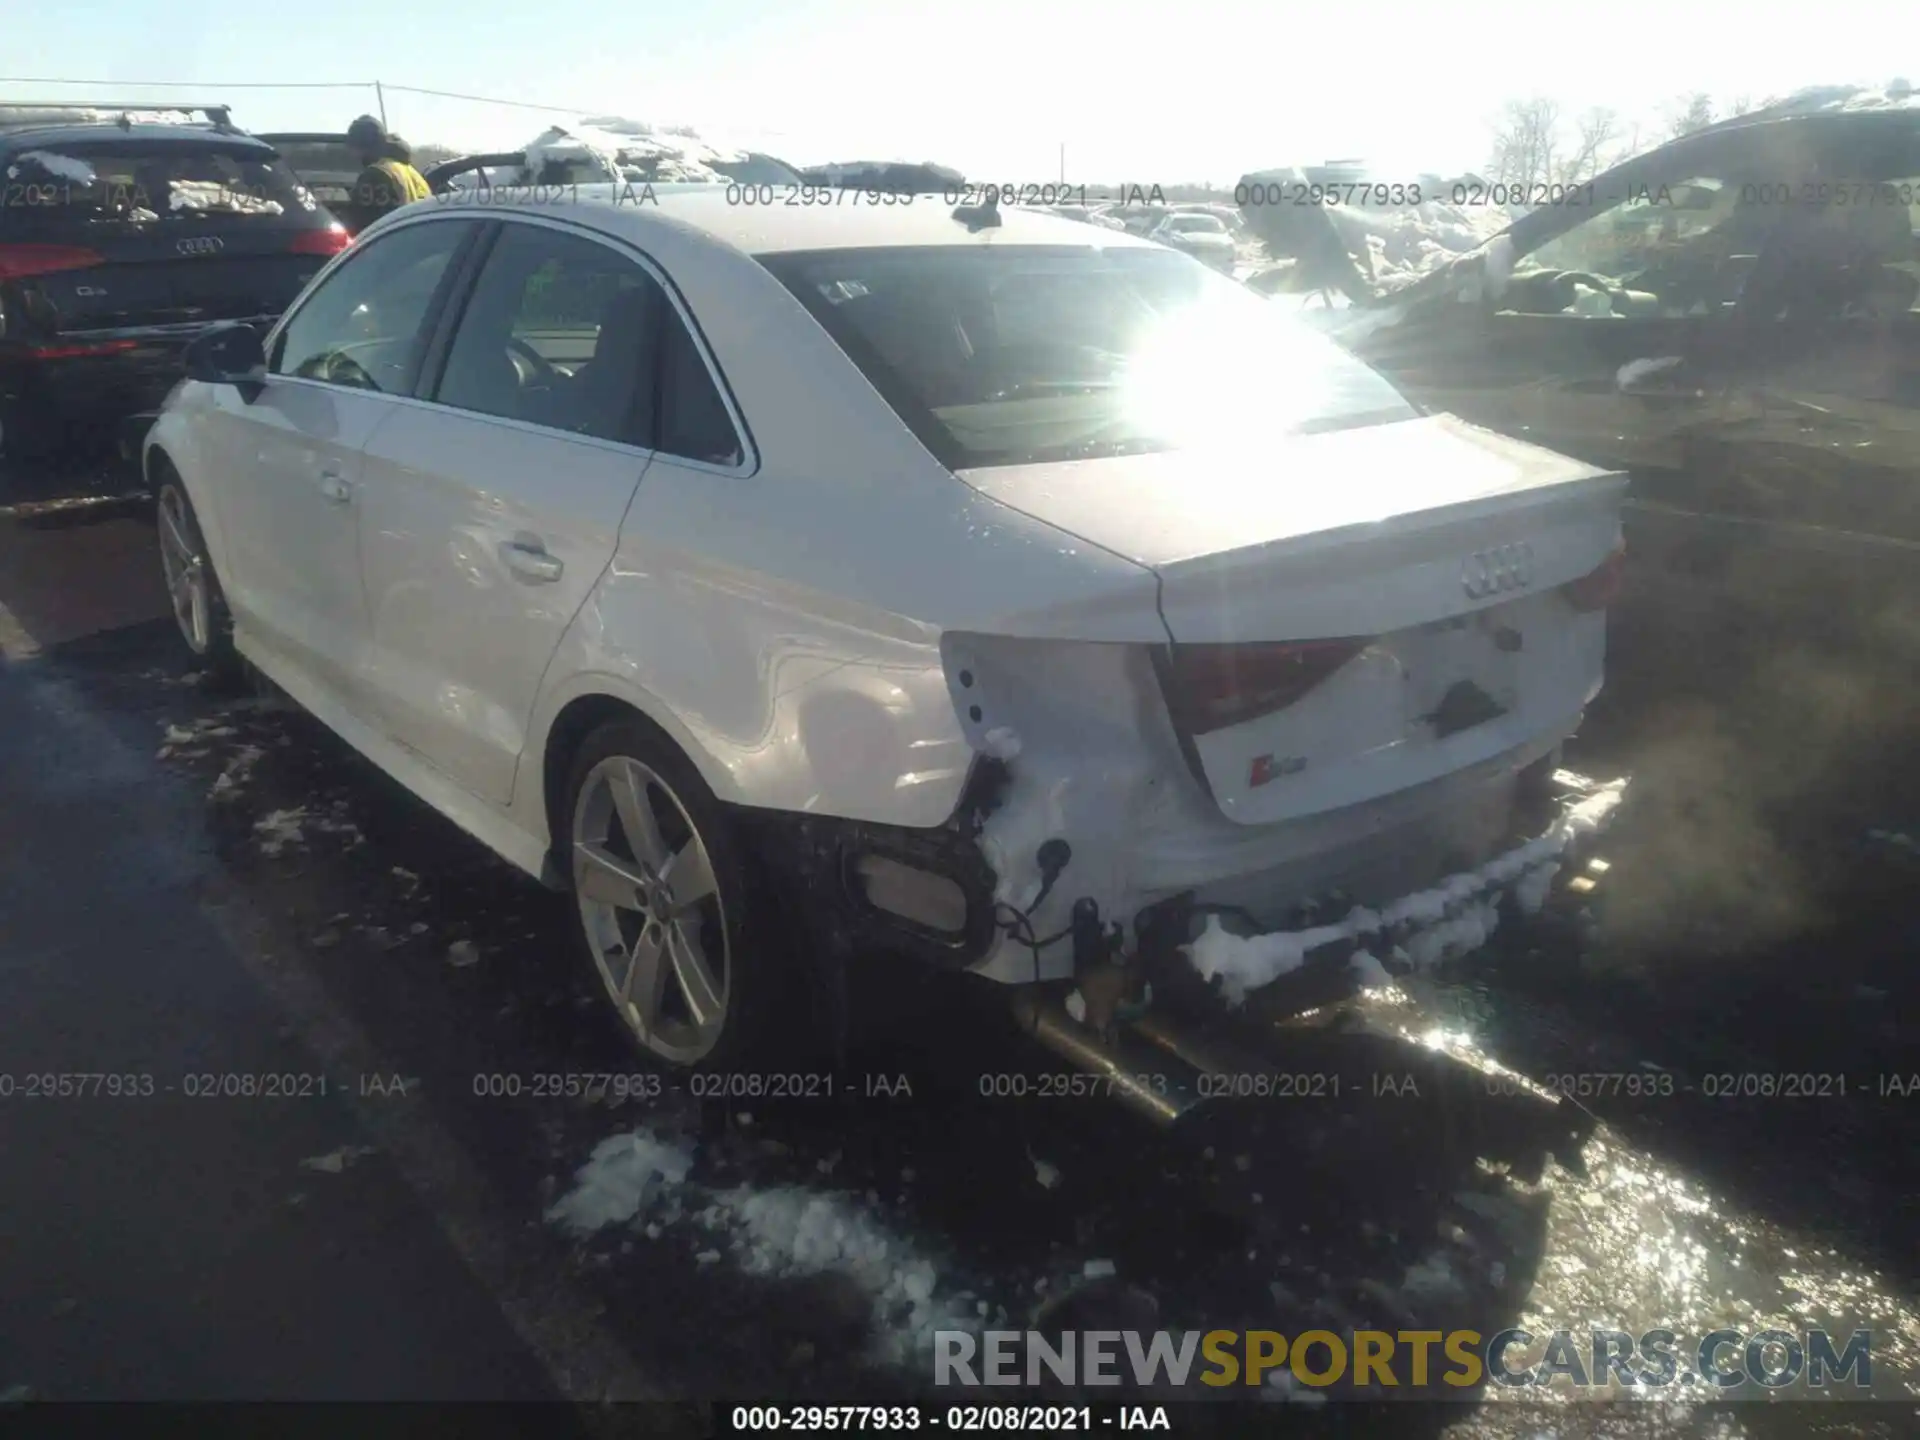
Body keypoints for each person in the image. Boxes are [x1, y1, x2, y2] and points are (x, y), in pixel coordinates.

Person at [344, 114, 430, 228]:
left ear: (362, 145)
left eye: (353, 147)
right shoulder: (412, 173)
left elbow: (363, 223)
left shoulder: (375, 175)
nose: (352, 154)